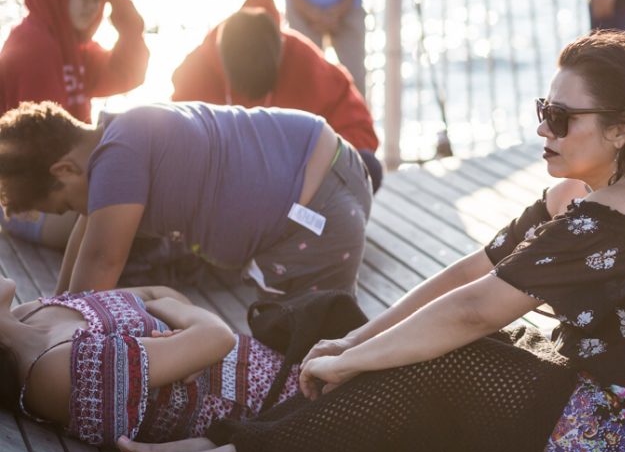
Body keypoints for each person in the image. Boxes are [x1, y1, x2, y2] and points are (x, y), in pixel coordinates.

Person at [118, 32, 625, 452]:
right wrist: (357, 338)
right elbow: (471, 272)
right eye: (544, 110)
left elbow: (473, 310)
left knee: (438, 361)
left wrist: (352, 362)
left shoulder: (611, 224)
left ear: (621, 130)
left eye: (562, 117)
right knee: (376, 335)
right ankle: (244, 444)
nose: (544, 129)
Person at [0, 100, 372, 299]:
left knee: (301, 353)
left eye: (65, 205)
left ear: (63, 170)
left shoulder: (117, 158)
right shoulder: (119, 133)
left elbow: (101, 260)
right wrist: (57, 304)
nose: (77, 213)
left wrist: (56, 335)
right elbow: (88, 235)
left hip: (315, 216)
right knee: (298, 335)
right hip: (332, 170)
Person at [0, 280, 301, 447]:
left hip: (283, 365)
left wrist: (178, 321)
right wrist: (180, 319)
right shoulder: (49, 373)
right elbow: (219, 338)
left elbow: (161, 292)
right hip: (277, 414)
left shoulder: (33, 311)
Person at [0, 0, 149, 247]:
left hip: (57, 183)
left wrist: (125, 15)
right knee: (121, 210)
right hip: (26, 198)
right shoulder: (36, 46)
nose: (92, 4)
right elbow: (47, 154)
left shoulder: (74, 47)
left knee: (127, 204)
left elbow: (129, 74)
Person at [170, 0, 382, 191]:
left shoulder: (305, 61)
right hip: (224, 185)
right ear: (222, 61)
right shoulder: (198, 69)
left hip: (295, 184)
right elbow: (175, 140)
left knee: (367, 166)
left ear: (280, 53)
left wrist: (314, 165)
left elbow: (359, 128)